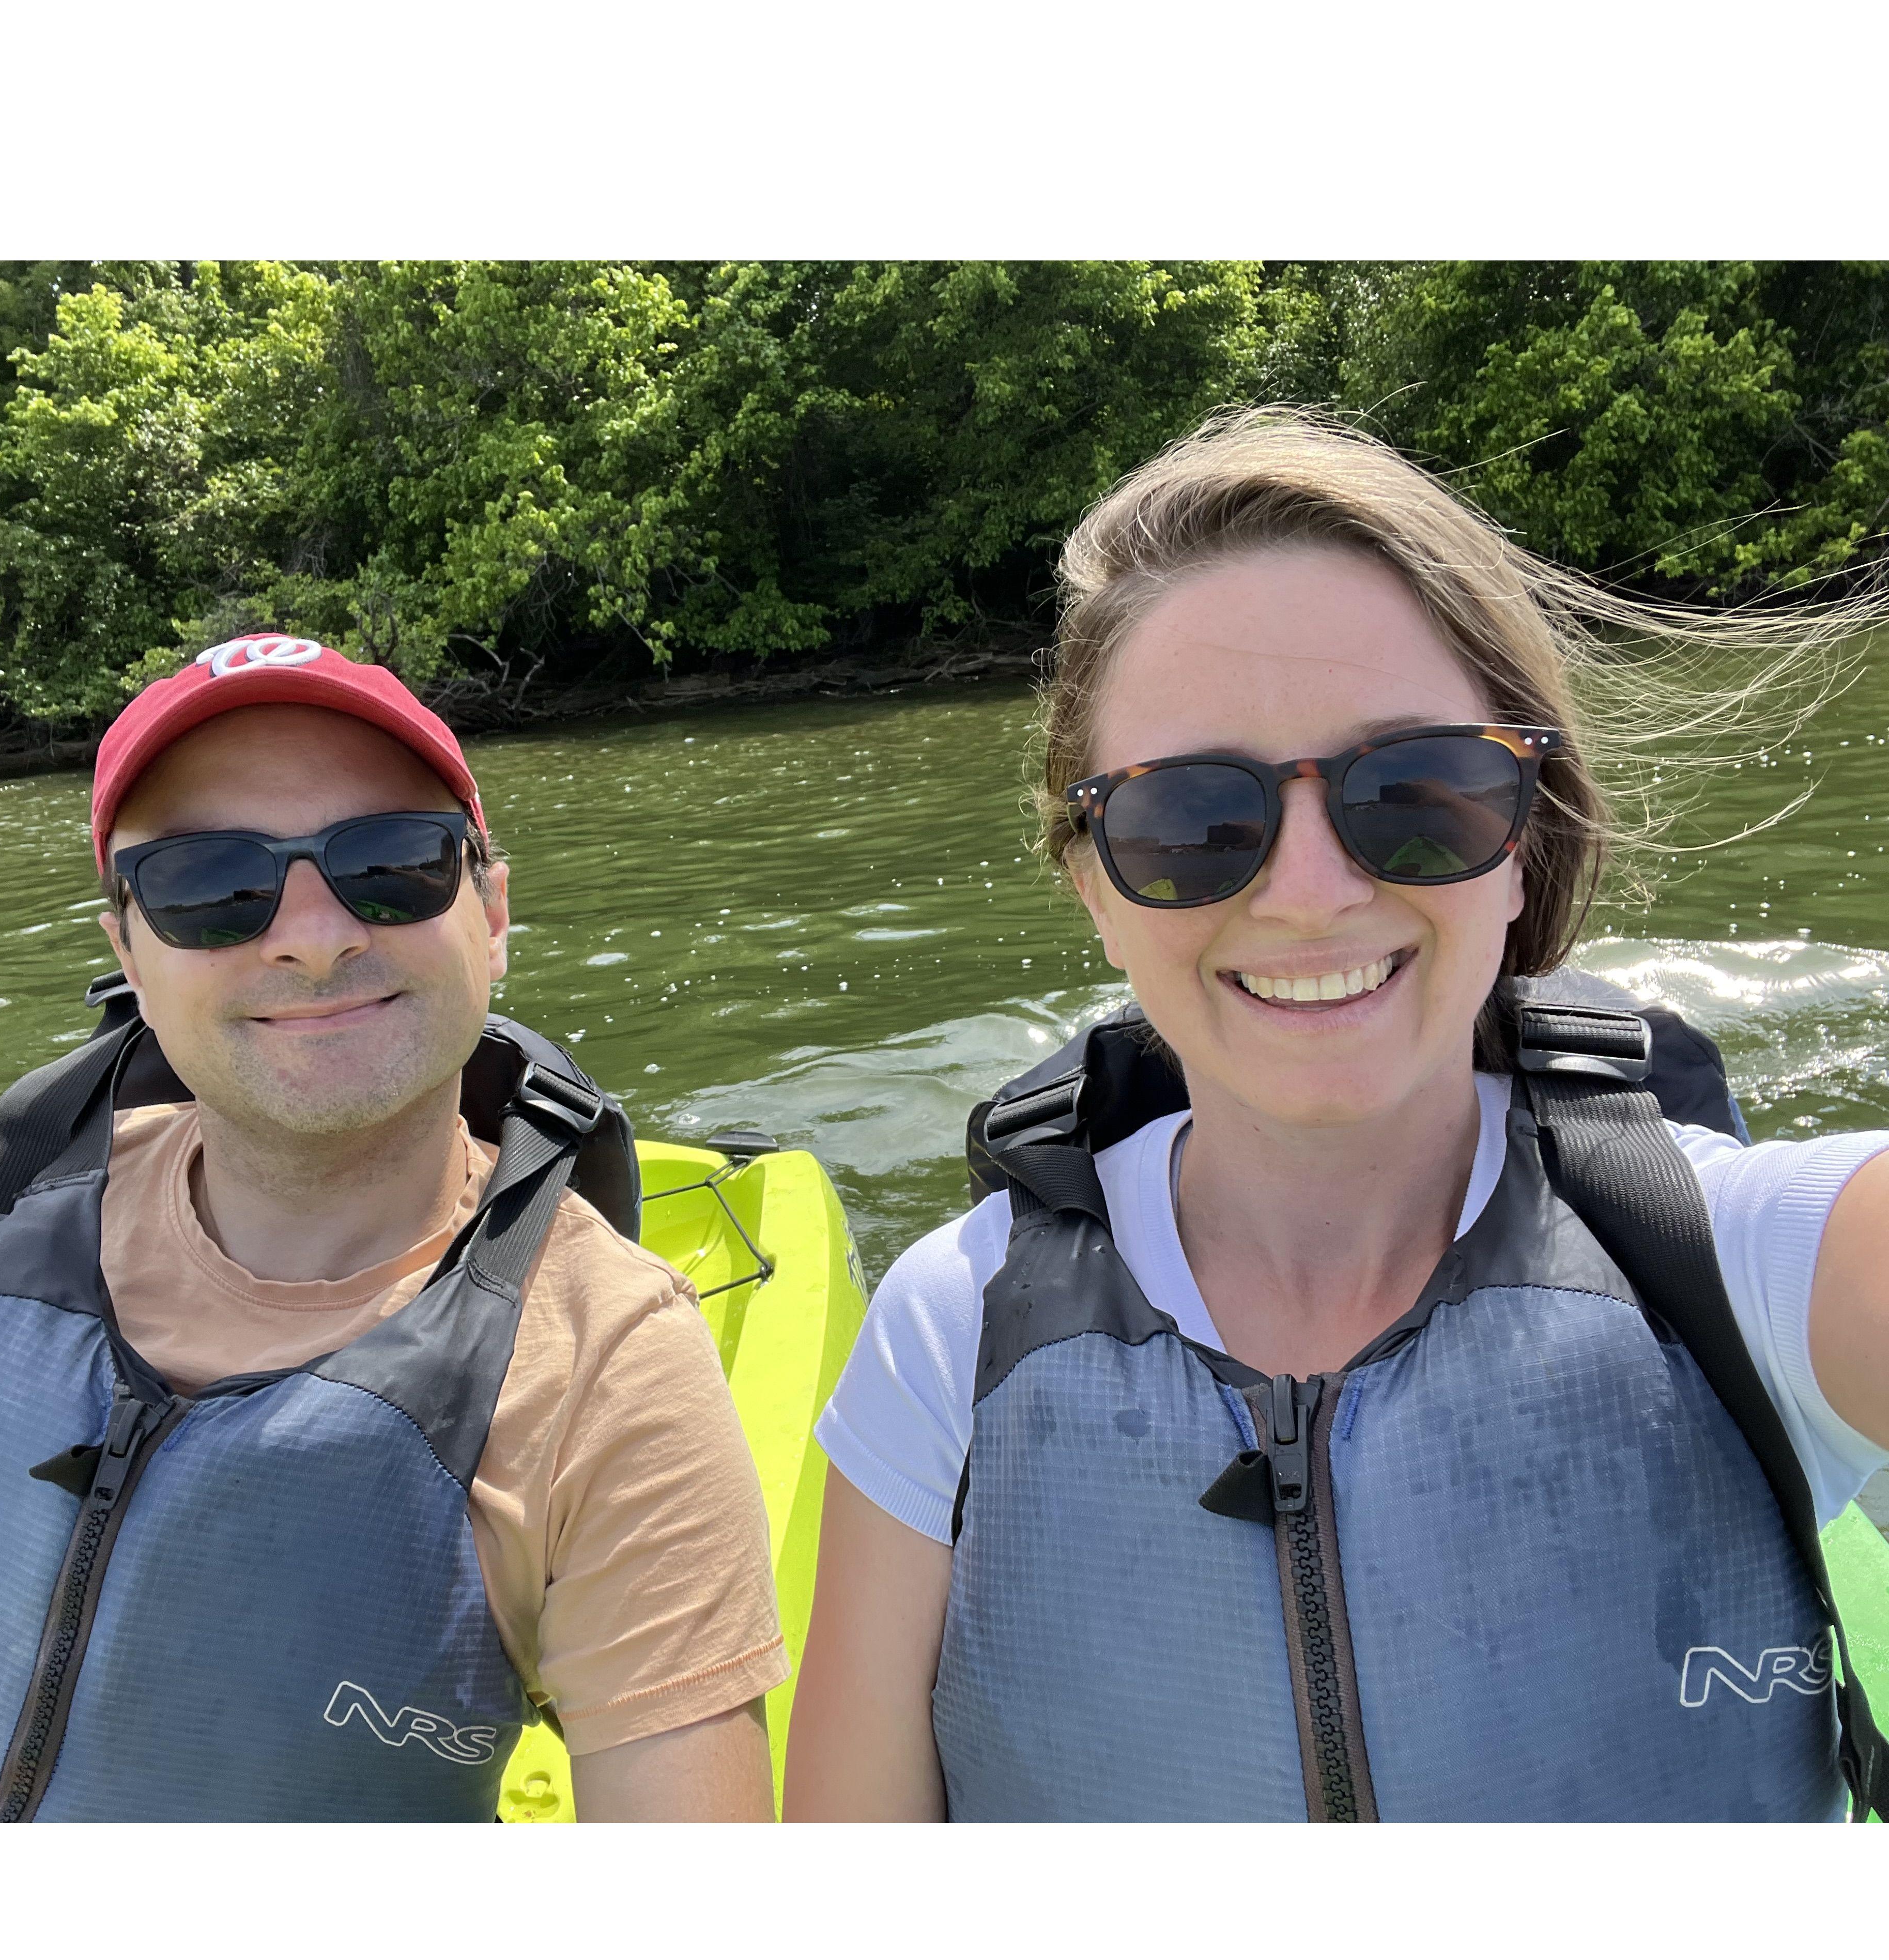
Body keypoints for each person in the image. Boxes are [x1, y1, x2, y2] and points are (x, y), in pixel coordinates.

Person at [784, 409, 1889, 1823]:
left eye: (1416, 789)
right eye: (1192, 819)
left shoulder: (1739, 1261)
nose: (1310, 892)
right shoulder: (951, 1340)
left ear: (1523, 837)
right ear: (1093, 885)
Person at [0, 635, 786, 1821]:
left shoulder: (608, 1367)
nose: (314, 935)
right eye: (210, 887)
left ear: (494, 909)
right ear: (126, 945)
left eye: (394, 863)